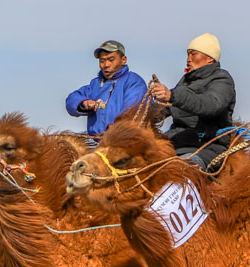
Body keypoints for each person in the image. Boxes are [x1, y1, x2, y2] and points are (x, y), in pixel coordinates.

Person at [149, 33, 236, 173]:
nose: (188, 59)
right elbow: (165, 109)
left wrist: (172, 95)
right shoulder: (185, 82)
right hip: (175, 145)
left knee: (180, 172)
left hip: (206, 148)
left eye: (193, 54)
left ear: (209, 58)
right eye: (188, 54)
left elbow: (211, 104)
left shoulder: (222, 80)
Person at [66, 40, 148, 140]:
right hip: (97, 142)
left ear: (123, 60)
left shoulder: (134, 82)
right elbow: (71, 99)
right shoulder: (95, 84)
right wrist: (84, 103)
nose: (106, 65)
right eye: (102, 60)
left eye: (111, 59)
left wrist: (111, 132)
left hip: (125, 142)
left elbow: (132, 112)